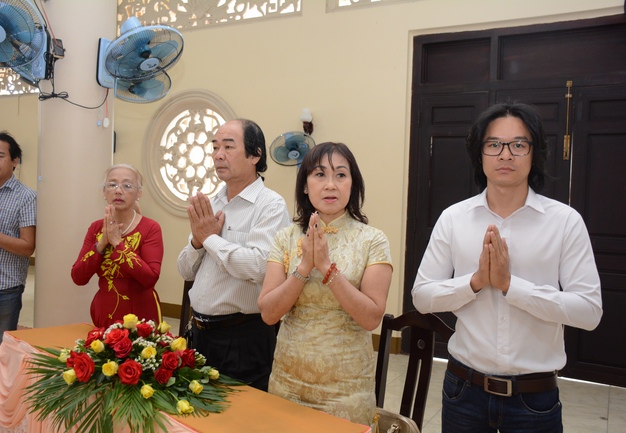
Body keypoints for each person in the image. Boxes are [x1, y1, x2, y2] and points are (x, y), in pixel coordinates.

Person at [412, 102, 603, 433]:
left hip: (534, 397)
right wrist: (474, 282)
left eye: (518, 144)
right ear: (480, 153)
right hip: (463, 391)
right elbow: (422, 297)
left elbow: (589, 311)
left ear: (534, 153)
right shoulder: (454, 219)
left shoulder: (564, 222)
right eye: (494, 144)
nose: (505, 155)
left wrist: (511, 286)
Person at [258, 142, 393, 429]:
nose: (331, 184)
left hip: (346, 391)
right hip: (287, 382)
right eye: (320, 174)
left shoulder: (372, 240)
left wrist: (327, 268)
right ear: (305, 186)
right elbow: (268, 313)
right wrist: (304, 267)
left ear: (352, 184)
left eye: (341, 175)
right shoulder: (285, 237)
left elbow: (371, 318)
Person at [176, 119, 290, 391]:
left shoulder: (271, 205)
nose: (218, 155)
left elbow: (259, 267)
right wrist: (197, 241)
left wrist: (210, 239)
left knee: (242, 414)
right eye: (215, 147)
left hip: (242, 337)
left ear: (255, 155)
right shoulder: (213, 202)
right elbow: (185, 270)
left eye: (228, 147)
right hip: (199, 333)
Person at [0, 132, 36, 433]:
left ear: (15, 161)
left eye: (0, 155)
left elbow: (27, 247)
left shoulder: (26, 197)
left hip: (4, 289)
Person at [71, 164, 164, 328]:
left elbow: (150, 278)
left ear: (139, 193)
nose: (118, 191)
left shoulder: (150, 228)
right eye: (112, 185)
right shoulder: (96, 228)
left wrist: (117, 244)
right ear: (104, 192)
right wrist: (101, 243)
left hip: (140, 319)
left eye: (127, 185)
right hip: (104, 312)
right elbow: (78, 277)